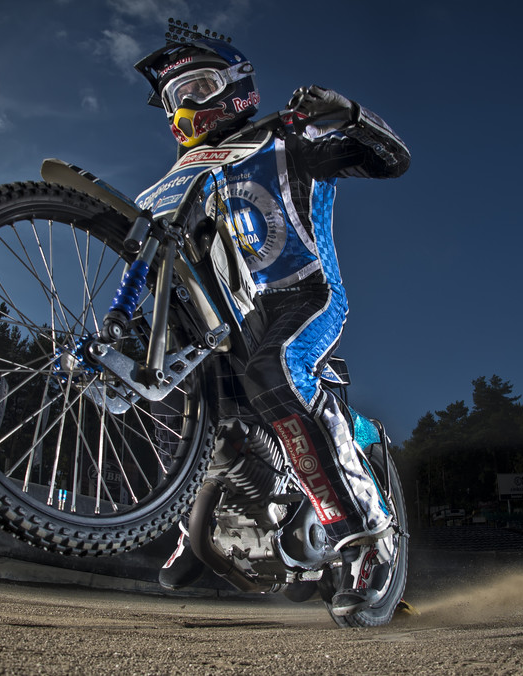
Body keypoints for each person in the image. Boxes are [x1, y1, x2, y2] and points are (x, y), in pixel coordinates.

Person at [134, 34, 410, 616]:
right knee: (165, 382)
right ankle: (195, 515)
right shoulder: (182, 176)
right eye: (174, 97)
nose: (185, 106)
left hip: (306, 294)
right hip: (234, 318)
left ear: (238, 87)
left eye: (200, 88)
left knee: (275, 368)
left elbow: (392, 160)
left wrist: (349, 116)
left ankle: (365, 536)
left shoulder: (288, 135)